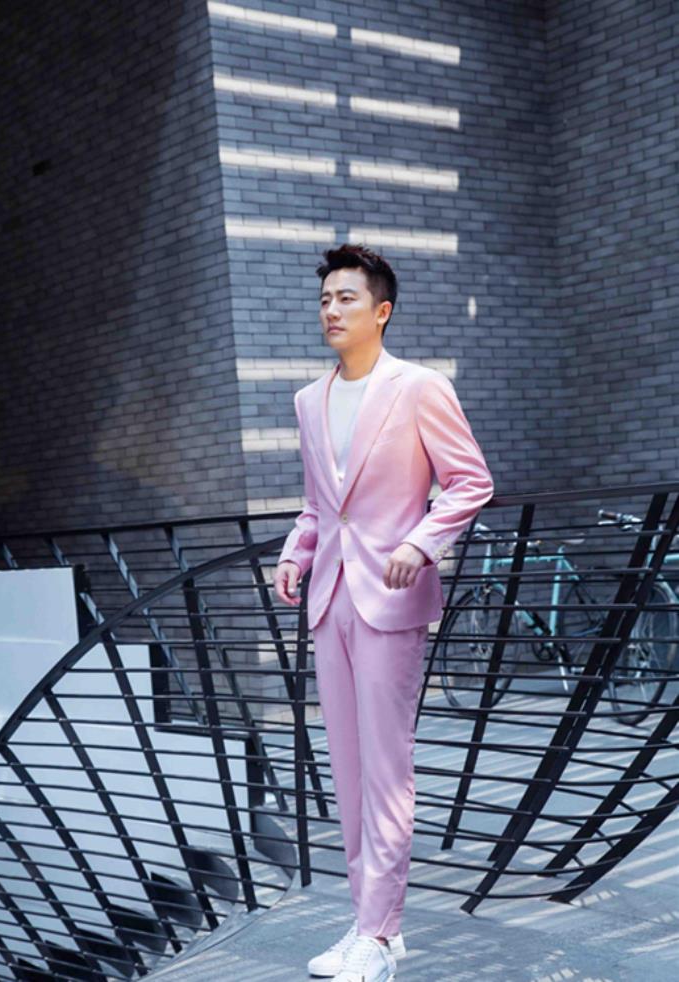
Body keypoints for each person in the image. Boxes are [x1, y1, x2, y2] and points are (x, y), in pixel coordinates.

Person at [273, 244, 494, 982]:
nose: (331, 310)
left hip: (391, 600)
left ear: (382, 311)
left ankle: (377, 931)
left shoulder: (420, 388)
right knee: (347, 769)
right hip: (330, 598)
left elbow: (469, 481)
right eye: (325, 299)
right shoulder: (309, 400)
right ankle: (372, 924)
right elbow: (317, 505)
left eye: (346, 298)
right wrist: (295, 553)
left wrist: (422, 542)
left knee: (386, 771)